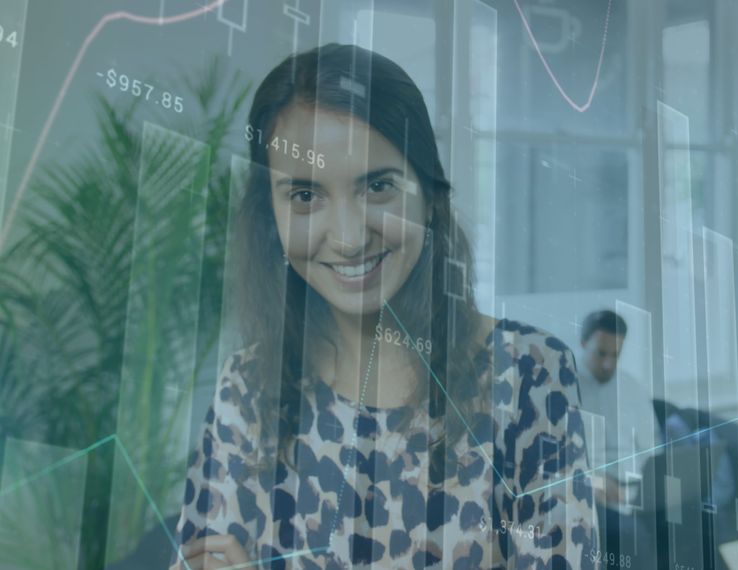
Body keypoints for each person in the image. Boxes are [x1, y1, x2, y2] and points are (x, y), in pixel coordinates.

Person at [173, 44, 597, 569]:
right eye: (305, 195)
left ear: (428, 192)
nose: (349, 239)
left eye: (378, 186)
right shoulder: (247, 388)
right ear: (271, 217)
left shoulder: (530, 375)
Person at [574, 310, 658, 562]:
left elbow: (652, 447)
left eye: (616, 355)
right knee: (632, 536)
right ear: (584, 343)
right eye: (601, 354)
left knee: (700, 518)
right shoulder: (562, 387)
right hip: (592, 491)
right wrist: (594, 481)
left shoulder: (632, 388)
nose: (608, 364)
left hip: (635, 489)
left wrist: (648, 486)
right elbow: (556, 460)